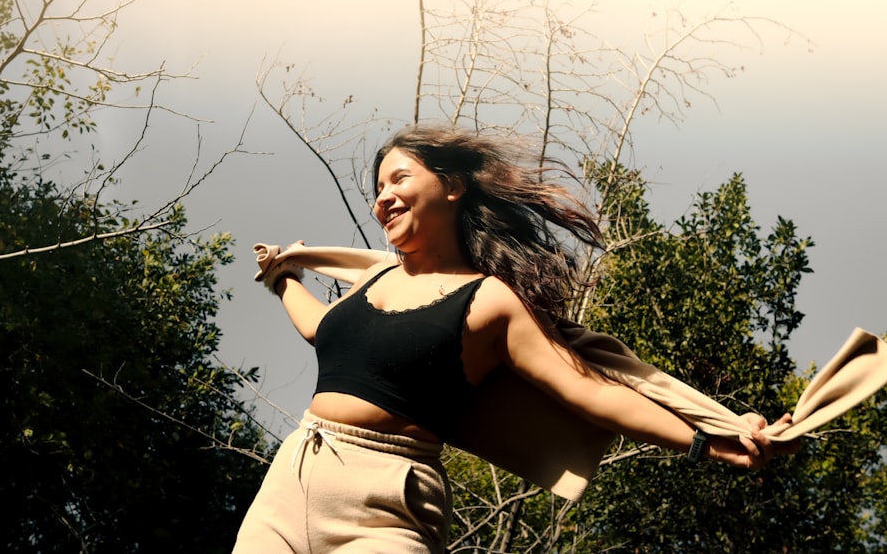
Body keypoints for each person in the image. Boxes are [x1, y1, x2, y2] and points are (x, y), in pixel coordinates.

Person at [233, 124, 796, 553]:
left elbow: (593, 392)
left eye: (399, 178)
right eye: (377, 189)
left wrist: (707, 440)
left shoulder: (488, 300)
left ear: (451, 186)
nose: (383, 197)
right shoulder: (374, 280)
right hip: (290, 482)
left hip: (386, 498)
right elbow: (319, 329)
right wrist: (283, 279)